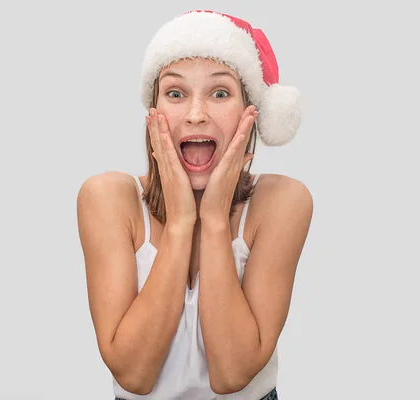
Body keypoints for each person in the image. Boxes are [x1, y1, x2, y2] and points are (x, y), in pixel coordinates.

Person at [77, 9, 313, 400]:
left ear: (249, 114)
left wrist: (216, 221)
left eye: (220, 93)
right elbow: (134, 374)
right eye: (175, 93)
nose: (196, 115)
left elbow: (232, 373)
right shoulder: (107, 199)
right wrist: (182, 221)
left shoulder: (283, 202)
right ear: (153, 115)